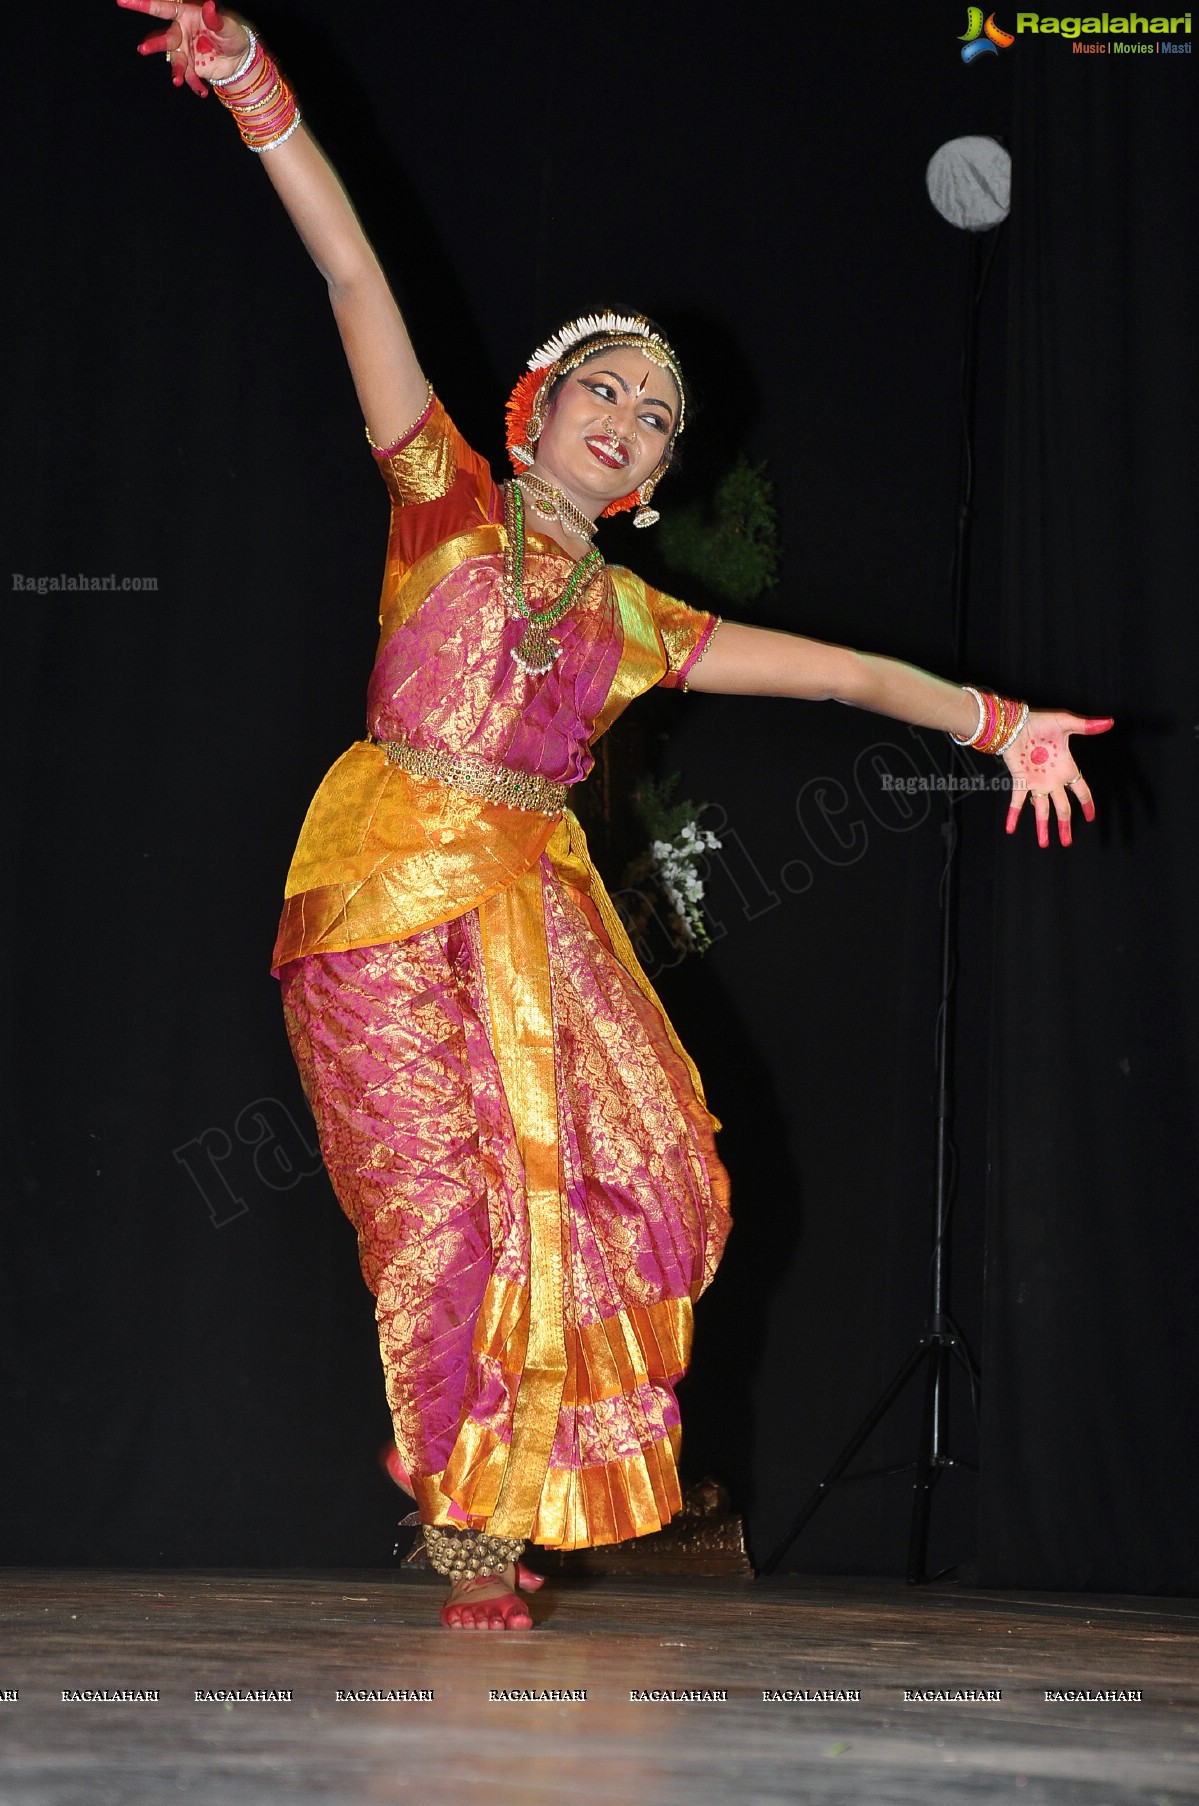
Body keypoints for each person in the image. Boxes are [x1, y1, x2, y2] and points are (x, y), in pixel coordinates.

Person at [118, 0, 1114, 1630]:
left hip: (530, 904)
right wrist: (253, 84)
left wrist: (998, 722)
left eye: (657, 420)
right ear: (538, 407)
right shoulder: (440, 490)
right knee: (442, 1204)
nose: (632, 421)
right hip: (380, 887)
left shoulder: (639, 620)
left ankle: (488, 1498)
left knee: (636, 1184)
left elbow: (851, 679)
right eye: (608, 390)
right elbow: (357, 278)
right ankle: (464, 1501)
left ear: (651, 481)